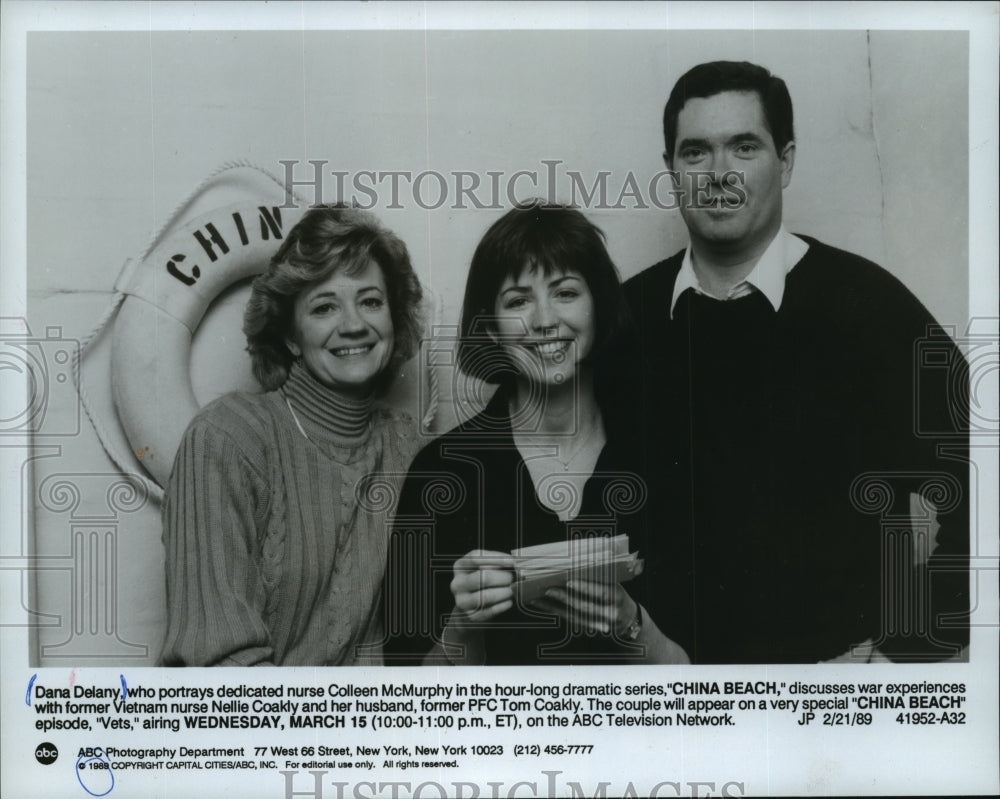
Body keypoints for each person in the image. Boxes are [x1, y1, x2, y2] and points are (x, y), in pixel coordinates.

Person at [621, 60, 970, 663]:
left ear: (785, 160)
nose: (719, 174)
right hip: (667, 702)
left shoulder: (868, 305)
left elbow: (984, 469)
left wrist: (905, 653)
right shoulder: (625, 318)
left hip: (830, 706)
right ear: (672, 171)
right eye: (696, 152)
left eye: (744, 147)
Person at [383, 202, 691, 665]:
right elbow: (406, 699)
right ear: (490, 329)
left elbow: (706, 685)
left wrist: (631, 622)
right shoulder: (441, 470)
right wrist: (465, 626)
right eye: (518, 301)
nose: (545, 320)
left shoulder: (664, 456)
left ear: (600, 306)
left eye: (565, 292)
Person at [159, 204, 424, 666]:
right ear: (290, 337)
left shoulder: (412, 450)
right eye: (324, 307)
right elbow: (219, 664)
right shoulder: (228, 438)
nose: (354, 324)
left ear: (392, 317)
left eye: (371, 301)